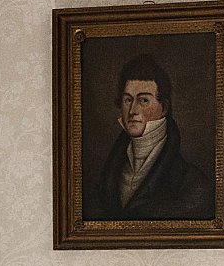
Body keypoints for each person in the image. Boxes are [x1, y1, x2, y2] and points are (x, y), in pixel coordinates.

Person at [88, 54, 215, 221]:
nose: (133, 110)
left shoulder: (193, 184)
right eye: (128, 100)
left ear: (164, 108)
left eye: (143, 100)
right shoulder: (103, 178)